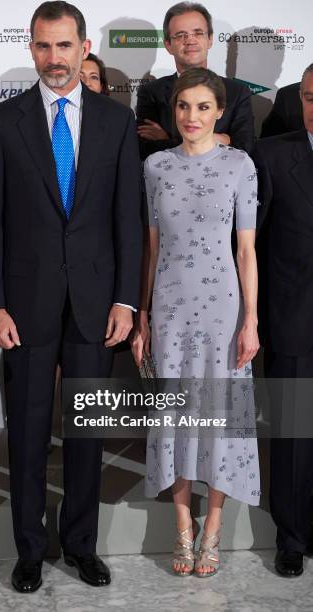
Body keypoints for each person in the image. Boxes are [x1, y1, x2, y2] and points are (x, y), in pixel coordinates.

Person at [0, 1, 142, 592]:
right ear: (31, 48)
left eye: (64, 46)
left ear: (84, 46)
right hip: (22, 303)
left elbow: (128, 216)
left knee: (88, 429)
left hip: (97, 302)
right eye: (44, 47)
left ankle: (80, 545)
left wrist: (127, 299)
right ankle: (28, 549)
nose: (54, 59)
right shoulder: (2, 123)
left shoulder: (116, 121)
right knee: (25, 427)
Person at [132, 67, 260, 577]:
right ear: (173, 110)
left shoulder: (239, 165)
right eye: (184, 106)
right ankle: (182, 531)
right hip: (168, 309)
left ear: (220, 111)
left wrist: (251, 320)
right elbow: (151, 248)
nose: (192, 116)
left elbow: (247, 250)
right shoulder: (156, 167)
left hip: (224, 311)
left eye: (203, 107)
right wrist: (142, 316)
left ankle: (214, 532)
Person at [253, 63, 313, 578]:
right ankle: (290, 536)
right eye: (312, 97)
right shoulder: (273, 154)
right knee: (294, 435)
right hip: (294, 318)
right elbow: (253, 246)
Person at [136, 2, 254, 160]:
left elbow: (245, 148)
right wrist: (222, 139)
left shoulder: (237, 92)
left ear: (210, 39)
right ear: (168, 45)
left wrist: (167, 140)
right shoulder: (151, 93)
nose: (190, 40)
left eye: (198, 33)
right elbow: (143, 149)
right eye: (180, 35)